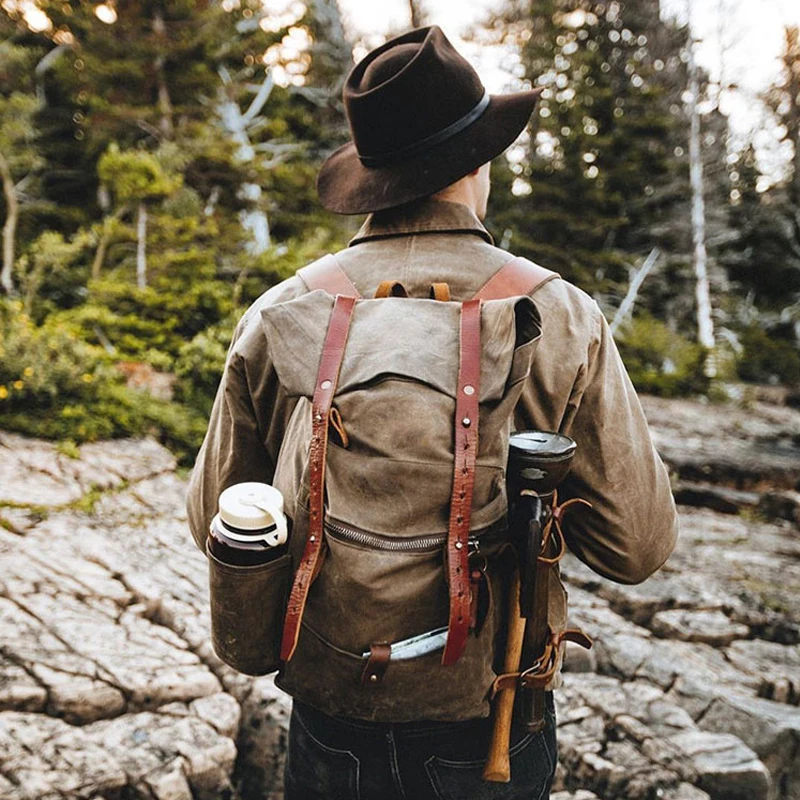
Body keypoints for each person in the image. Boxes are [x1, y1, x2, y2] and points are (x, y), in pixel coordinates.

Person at [186, 25, 679, 800]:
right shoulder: (562, 315)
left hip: (328, 717)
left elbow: (210, 520)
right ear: (476, 161)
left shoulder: (283, 311)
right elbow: (637, 547)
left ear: (372, 176)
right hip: (493, 720)